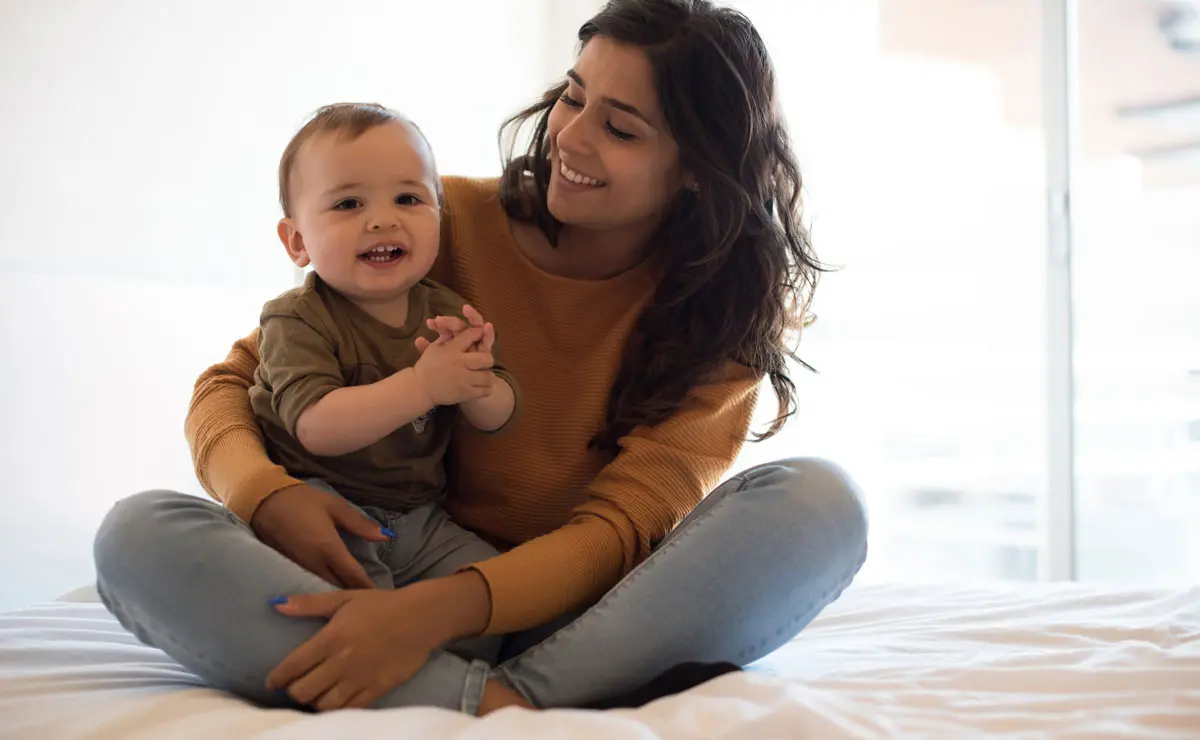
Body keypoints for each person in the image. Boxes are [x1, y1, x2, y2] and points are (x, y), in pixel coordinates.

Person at [93, 0, 868, 717]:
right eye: (573, 96)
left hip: (572, 613)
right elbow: (234, 384)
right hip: (385, 568)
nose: (569, 137)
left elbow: (617, 532)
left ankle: (476, 694)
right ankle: (507, 706)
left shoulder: (719, 324)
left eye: (621, 128)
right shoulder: (431, 222)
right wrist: (267, 496)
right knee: (138, 536)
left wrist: (427, 617)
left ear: (698, 169)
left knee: (820, 503)